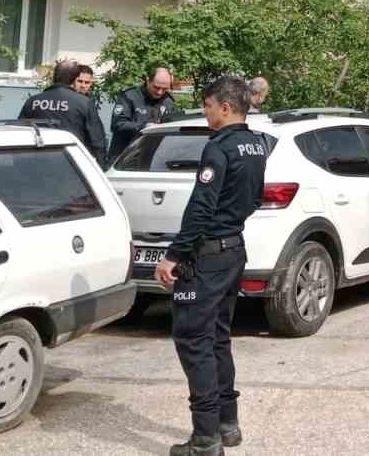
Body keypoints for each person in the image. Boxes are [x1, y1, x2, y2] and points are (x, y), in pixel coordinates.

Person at [155, 76, 270, 456]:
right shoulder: (257, 144)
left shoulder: (218, 147)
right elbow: (254, 199)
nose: (204, 113)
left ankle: (205, 439)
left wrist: (174, 254)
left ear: (225, 107)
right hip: (233, 250)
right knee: (218, 337)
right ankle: (227, 425)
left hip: (207, 256)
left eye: (206, 106)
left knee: (194, 341)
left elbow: (201, 208)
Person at [18, 59, 107, 157]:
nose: (83, 85)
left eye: (87, 82)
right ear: (73, 79)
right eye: (80, 81)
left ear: (54, 77)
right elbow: (98, 142)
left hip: (36, 158)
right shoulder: (84, 103)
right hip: (71, 160)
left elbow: (20, 132)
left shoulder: (32, 101)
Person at [108, 66, 185, 163]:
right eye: (156, 87)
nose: (160, 92)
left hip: (153, 159)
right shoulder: (130, 96)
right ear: (148, 80)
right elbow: (117, 124)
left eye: (164, 89)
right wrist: (144, 127)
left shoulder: (168, 101)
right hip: (124, 158)